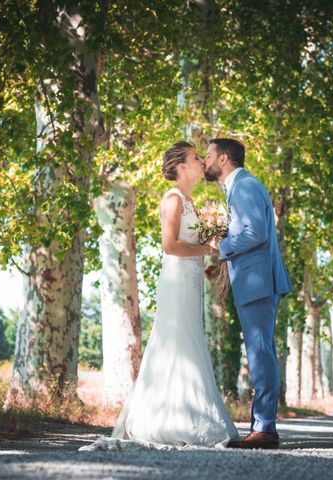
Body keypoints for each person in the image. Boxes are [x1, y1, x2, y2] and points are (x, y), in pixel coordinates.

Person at [82, 141, 239, 451]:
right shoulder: (173, 199)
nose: (200, 161)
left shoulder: (191, 201)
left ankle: (184, 412)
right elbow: (169, 246)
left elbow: (188, 239)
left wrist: (213, 237)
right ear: (182, 166)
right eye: (196, 158)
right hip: (176, 278)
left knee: (189, 339)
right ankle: (167, 420)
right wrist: (208, 248)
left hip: (191, 278)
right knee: (177, 340)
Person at [206, 138, 293, 449]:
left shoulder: (243, 185)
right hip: (255, 281)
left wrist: (222, 246)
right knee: (261, 352)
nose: (205, 160)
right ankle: (262, 425)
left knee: (260, 353)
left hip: (257, 281)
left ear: (224, 159)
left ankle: (265, 429)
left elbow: (256, 233)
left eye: (209, 155)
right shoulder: (240, 187)